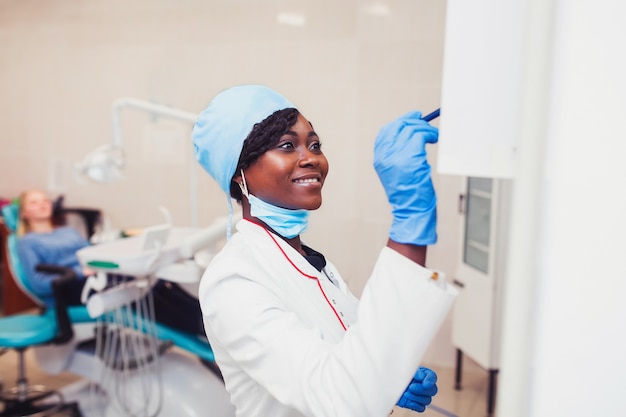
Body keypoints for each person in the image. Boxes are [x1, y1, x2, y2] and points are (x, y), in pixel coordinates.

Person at [192, 84, 457, 417]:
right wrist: (410, 216)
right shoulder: (233, 280)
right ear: (239, 172)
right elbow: (339, 398)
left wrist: (389, 375)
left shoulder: (313, 262)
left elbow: (352, 351)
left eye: (314, 144)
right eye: (287, 146)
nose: (311, 158)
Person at [15, 189, 206, 336]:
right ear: (24, 213)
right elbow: (38, 283)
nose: (41, 204)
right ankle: (197, 326)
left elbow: (92, 252)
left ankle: (205, 317)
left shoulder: (68, 231)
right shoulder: (27, 242)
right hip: (70, 287)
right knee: (138, 290)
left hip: (95, 276)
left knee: (154, 279)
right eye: (34, 202)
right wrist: (81, 271)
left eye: (44, 200)